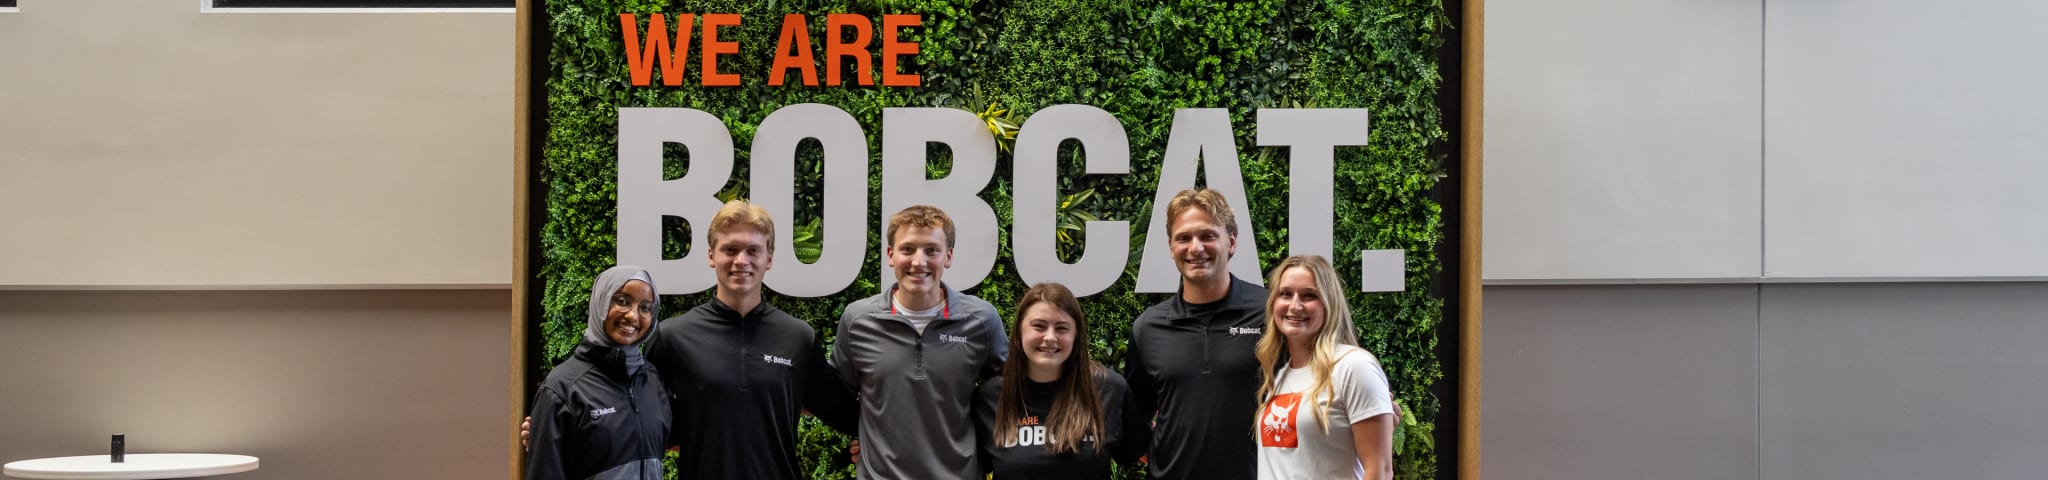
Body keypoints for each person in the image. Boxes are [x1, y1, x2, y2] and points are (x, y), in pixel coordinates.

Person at [640, 199, 859, 479]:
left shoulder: (798, 338)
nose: (741, 260)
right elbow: (641, 417)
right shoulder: (672, 337)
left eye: (753, 250)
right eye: (730, 249)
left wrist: (875, 444)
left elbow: (845, 413)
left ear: (768, 258)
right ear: (711, 255)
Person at [834, 205, 1009, 479]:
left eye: (931, 250)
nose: (918, 262)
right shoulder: (857, 321)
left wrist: (991, 452)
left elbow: (1010, 391)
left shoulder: (981, 320)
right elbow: (836, 395)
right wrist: (864, 438)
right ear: (890, 255)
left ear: (948, 257)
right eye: (907, 249)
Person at [1125, 188, 1269, 479]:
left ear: (1231, 242)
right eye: (1184, 238)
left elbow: (1321, 377)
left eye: (1207, 236)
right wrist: (1157, 457)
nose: (1195, 248)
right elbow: (1132, 413)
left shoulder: (1270, 313)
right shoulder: (1148, 328)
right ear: (1170, 246)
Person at [974, 282, 1150, 479]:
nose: (1050, 337)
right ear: (1019, 332)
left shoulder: (1108, 389)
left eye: (1062, 328)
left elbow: (1143, 454)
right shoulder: (990, 397)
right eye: (1039, 326)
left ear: (1076, 336)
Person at [1252, 255, 1395, 480]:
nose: (1295, 305)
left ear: (1329, 304)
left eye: (1309, 296)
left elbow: (1380, 471)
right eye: (1285, 294)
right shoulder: (1280, 376)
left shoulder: (1353, 367)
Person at [524, 266, 669, 480]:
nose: (633, 315)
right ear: (600, 301)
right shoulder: (563, 387)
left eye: (645, 307)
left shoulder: (651, 379)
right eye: (622, 301)